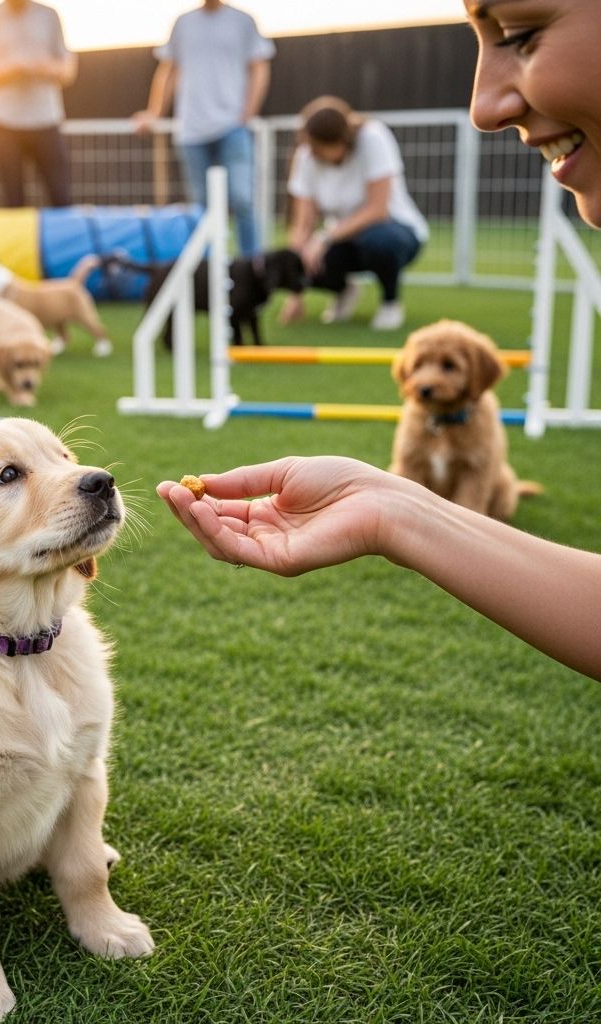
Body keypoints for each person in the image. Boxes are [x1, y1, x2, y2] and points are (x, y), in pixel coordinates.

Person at [157, 0, 601, 684]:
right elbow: (302, 218)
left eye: (518, 34)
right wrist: (396, 509)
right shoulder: (307, 157)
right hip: (342, 253)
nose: (483, 104)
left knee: (370, 240)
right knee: (314, 253)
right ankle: (341, 291)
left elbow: (374, 205)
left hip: (387, 232)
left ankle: (385, 295)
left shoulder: (375, 144)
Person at [132, 0, 275, 256]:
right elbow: (169, 70)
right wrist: (154, 113)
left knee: (242, 200)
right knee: (202, 209)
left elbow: (260, 68)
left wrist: (247, 113)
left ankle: (254, 267)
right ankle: (210, 268)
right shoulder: (183, 23)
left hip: (233, 128)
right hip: (191, 132)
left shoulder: (243, 20)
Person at [278, 96, 429, 331]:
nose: (312, 153)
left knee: (379, 240)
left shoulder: (373, 137)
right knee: (307, 257)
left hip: (396, 232)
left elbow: (378, 210)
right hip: (344, 239)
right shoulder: (306, 156)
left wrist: (323, 238)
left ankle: (390, 303)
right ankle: (344, 290)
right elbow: (303, 223)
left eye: (318, 147)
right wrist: (295, 290)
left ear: (341, 141)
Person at [0, 0, 77, 208]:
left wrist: (44, 69)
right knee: (12, 201)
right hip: (2, 121)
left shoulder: (49, 16)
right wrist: (8, 70)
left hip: (46, 119)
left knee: (61, 197)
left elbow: (68, 69)